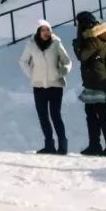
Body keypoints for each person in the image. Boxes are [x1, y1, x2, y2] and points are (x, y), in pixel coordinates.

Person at [19, 19, 73, 155]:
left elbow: (67, 61)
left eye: (48, 30)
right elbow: (23, 61)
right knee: (43, 116)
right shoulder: (31, 45)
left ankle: (62, 146)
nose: (46, 33)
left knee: (56, 115)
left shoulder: (56, 43)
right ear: (38, 32)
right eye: (43, 30)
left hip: (55, 85)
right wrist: (32, 74)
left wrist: (62, 71)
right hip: (38, 86)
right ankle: (49, 145)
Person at [72, 11, 106, 157]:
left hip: (98, 82)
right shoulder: (100, 35)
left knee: (100, 114)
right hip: (99, 82)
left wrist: (76, 43)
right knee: (92, 113)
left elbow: (82, 56)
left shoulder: (93, 38)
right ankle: (96, 145)